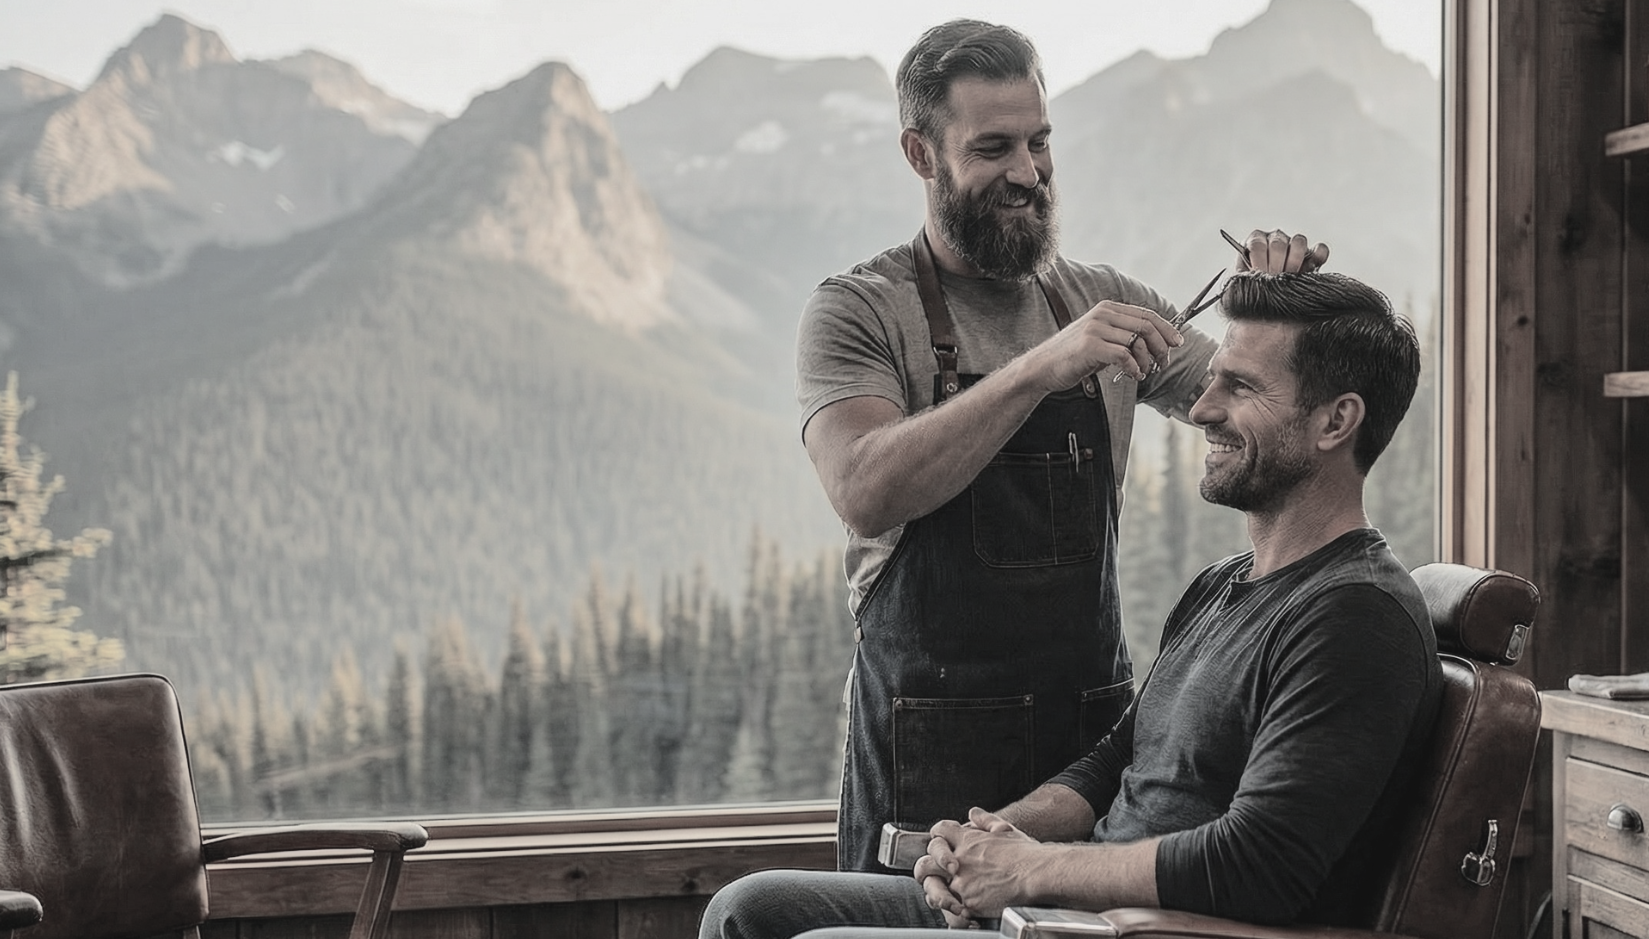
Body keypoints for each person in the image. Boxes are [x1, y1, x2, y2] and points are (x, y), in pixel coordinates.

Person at [703, 268, 1440, 936]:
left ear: (1334, 422)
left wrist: (1028, 871)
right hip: (1057, 905)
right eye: (1209, 380)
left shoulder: (1353, 617)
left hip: (1114, 930)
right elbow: (1113, 762)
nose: (1202, 408)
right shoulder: (1223, 585)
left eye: (1239, 387)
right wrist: (988, 838)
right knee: (753, 909)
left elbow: (1258, 863)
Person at [798, 17, 1330, 871]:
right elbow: (863, 486)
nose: (1027, 173)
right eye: (994, 147)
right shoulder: (858, 310)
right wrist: (1038, 368)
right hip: (925, 760)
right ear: (920, 153)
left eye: (1039, 143)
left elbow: (1256, 408)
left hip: (1087, 754)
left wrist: (1282, 310)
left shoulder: (1102, 299)